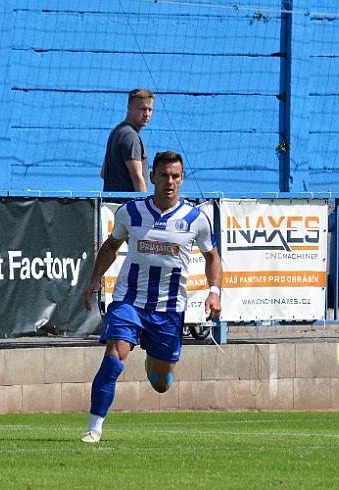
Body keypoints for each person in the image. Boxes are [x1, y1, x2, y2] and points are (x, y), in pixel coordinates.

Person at [82, 151, 223, 443]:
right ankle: (94, 428)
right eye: (163, 176)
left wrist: (214, 292)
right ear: (152, 177)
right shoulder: (131, 212)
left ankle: (151, 357)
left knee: (161, 384)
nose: (169, 182)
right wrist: (94, 279)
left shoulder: (196, 219)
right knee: (113, 359)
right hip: (129, 301)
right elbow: (111, 246)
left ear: (182, 179)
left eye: (175, 176)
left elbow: (212, 257)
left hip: (168, 309)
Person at [101, 88, 155, 192]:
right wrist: (144, 206)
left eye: (150, 109)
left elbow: (104, 173)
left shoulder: (117, 132)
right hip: (128, 205)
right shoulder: (130, 136)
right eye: (142, 109)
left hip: (111, 205)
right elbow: (137, 177)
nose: (147, 114)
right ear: (129, 108)